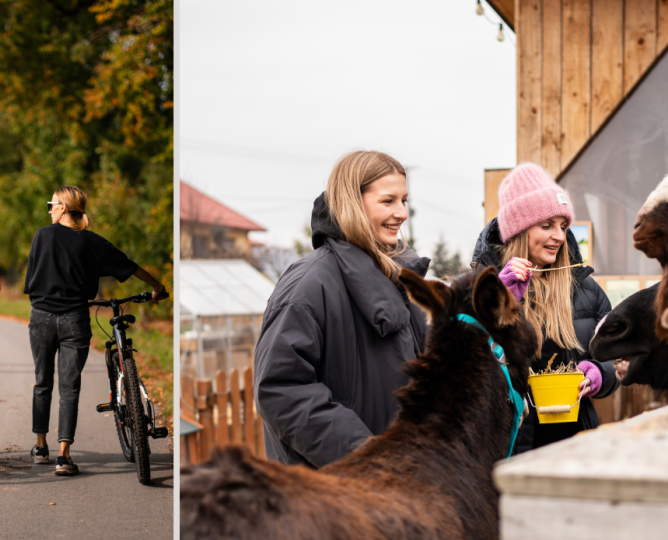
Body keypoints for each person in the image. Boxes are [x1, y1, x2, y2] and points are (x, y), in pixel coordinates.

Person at [254, 150, 430, 468]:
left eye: (404, 200)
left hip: (401, 484)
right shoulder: (309, 284)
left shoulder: (398, 280)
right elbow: (281, 390)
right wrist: (367, 460)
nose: (402, 213)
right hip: (332, 496)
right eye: (388, 201)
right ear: (353, 202)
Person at [471, 163, 618, 454]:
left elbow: (617, 356)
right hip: (509, 443)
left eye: (563, 226)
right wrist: (500, 303)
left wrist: (600, 374)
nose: (560, 236)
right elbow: (467, 361)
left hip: (576, 442)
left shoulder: (586, 289)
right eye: (547, 225)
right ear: (520, 229)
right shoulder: (483, 286)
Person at [25, 186, 166, 476]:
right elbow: (131, 267)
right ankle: (63, 456)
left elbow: (32, 280)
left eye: (51, 204)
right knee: (69, 387)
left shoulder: (42, 235)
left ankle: (40, 446)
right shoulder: (93, 242)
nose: (49, 209)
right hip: (75, 319)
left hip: (41, 318)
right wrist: (157, 288)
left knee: (42, 381)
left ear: (63, 208)